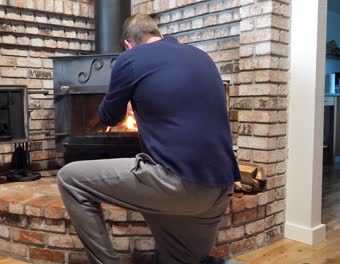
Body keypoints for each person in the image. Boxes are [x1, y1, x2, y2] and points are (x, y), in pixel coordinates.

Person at [57, 14, 241, 264]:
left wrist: (130, 98)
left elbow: (109, 117)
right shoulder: (200, 55)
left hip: (178, 185)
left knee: (69, 179)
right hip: (220, 188)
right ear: (157, 33)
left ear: (128, 44)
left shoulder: (131, 58)